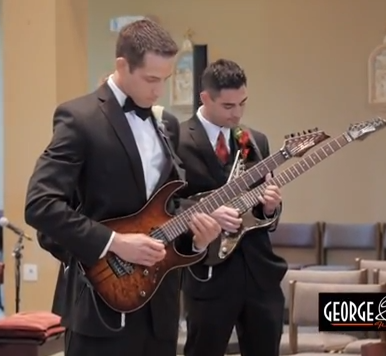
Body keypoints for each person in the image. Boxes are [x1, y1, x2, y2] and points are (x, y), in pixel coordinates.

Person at [24, 19, 225, 356]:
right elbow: (40, 204)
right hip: (100, 302)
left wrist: (196, 238)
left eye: (165, 79)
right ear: (122, 65)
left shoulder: (166, 125)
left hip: (160, 310)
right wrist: (114, 243)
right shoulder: (79, 118)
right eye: (150, 79)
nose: (158, 90)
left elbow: (165, 211)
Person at [177, 59, 288, 356]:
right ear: (205, 98)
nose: (237, 113)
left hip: (260, 274)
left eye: (242, 103)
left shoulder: (253, 140)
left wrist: (270, 207)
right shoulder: (177, 139)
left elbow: (267, 214)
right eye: (228, 106)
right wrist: (205, 213)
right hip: (209, 274)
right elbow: (168, 206)